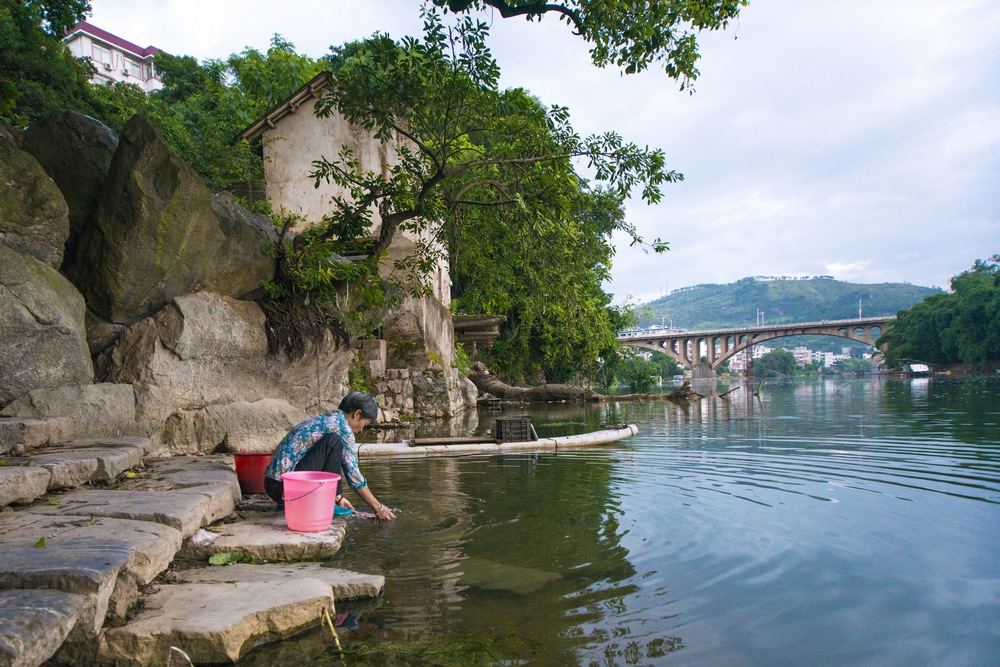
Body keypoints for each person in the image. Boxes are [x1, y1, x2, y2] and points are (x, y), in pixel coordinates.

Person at [264, 391, 396, 521]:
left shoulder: (327, 420)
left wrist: (339, 498)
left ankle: (332, 498)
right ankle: (328, 502)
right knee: (333, 442)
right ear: (357, 414)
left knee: (332, 442)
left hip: (273, 486)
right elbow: (353, 476)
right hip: (286, 489)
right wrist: (378, 507)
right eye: (365, 424)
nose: (362, 429)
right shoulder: (342, 428)